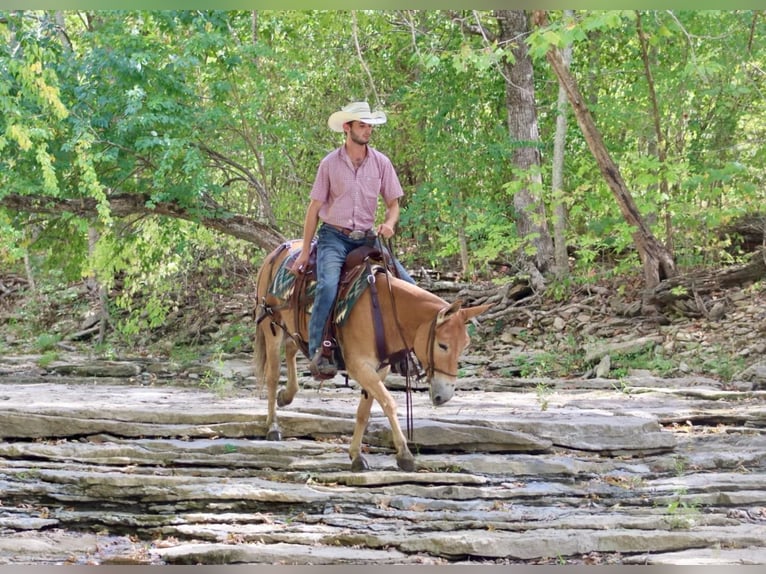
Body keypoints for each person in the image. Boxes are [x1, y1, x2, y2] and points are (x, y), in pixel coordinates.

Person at [291, 101, 415, 380]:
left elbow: (394, 204)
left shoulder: (381, 163)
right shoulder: (330, 164)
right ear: (347, 128)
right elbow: (314, 209)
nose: (368, 130)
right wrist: (302, 253)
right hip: (334, 236)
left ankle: (403, 351)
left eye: (370, 126)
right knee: (327, 286)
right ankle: (319, 352)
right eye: (362, 125)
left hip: (367, 238)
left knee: (408, 284)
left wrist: (389, 224)